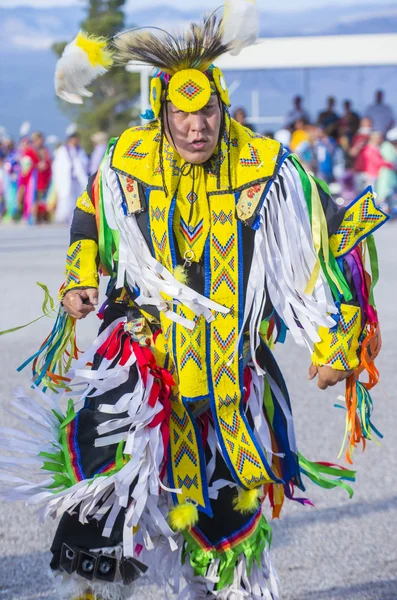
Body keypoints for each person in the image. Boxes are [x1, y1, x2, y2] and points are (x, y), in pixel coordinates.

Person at [0, 15, 388, 600]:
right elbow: (90, 212)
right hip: (142, 362)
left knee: (225, 506)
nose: (195, 126)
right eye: (182, 114)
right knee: (107, 483)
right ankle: (89, 590)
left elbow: (339, 233)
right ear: (162, 111)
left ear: (222, 106)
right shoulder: (130, 156)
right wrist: (82, 275)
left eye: (205, 112)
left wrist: (342, 341)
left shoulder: (267, 165)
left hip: (228, 372)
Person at [52, 131, 89, 224]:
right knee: (67, 197)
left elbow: (84, 162)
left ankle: (77, 217)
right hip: (67, 179)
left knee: (79, 197)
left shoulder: (80, 150)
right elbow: (58, 165)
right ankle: (66, 217)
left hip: (78, 179)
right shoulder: (63, 150)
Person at [31, 131, 52, 223]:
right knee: (34, 198)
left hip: (44, 178)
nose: (41, 141)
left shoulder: (45, 150)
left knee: (42, 199)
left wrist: (45, 165)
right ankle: (34, 216)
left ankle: (42, 216)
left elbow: (48, 162)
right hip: (34, 178)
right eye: (39, 140)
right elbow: (26, 163)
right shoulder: (30, 150)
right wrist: (36, 165)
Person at [376, 127, 397, 205]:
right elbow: (388, 160)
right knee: (383, 194)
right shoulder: (386, 146)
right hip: (386, 174)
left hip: (392, 175)